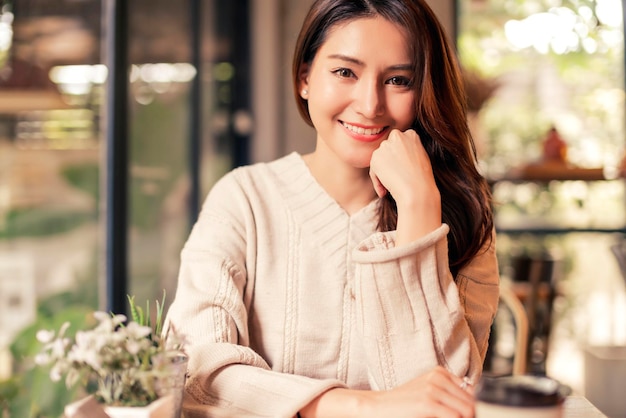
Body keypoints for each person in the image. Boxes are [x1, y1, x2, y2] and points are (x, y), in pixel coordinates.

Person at [164, 0, 499, 417]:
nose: (370, 104)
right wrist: (355, 405)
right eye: (345, 72)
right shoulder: (243, 200)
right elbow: (196, 373)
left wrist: (418, 209)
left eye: (398, 80)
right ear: (305, 77)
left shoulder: (462, 215)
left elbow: (444, 402)